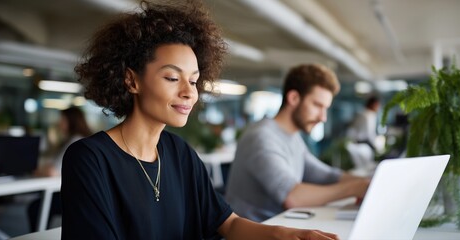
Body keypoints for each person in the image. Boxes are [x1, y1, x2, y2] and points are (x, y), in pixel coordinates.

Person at [61, 1, 338, 239]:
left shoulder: (180, 153)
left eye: (193, 81)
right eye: (172, 78)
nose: (188, 92)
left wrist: (283, 233)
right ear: (131, 80)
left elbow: (227, 224)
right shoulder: (89, 159)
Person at [225, 64, 370, 222]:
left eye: (325, 108)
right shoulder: (261, 137)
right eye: (317, 105)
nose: (323, 117)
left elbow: (326, 175)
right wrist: (355, 188)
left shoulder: (292, 136)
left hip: (278, 228)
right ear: (293, 98)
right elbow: (292, 197)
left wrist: (370, 183)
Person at [28, 106, 93, 231]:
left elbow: (52, 171)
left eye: (62, 120)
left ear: (71, 121)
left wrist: (38, 171)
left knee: (35, 208)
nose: (59, 123)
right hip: (80, 195)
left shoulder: (75, 140)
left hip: (76, 198)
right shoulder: (78, 139)